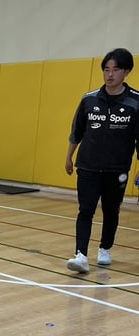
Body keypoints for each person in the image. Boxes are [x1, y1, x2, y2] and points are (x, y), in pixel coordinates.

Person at [65, 48, 139, 273]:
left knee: (111, 210)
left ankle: (105, 248)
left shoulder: (135, 102)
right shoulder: (89, 99)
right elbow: (77, 131)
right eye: (106, 69)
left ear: (126, 71)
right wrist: (69, 157)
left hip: (117, 169)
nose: (110, 74)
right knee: (85, 210)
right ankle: (81, 255)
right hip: (87, 166)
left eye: (115, 69)